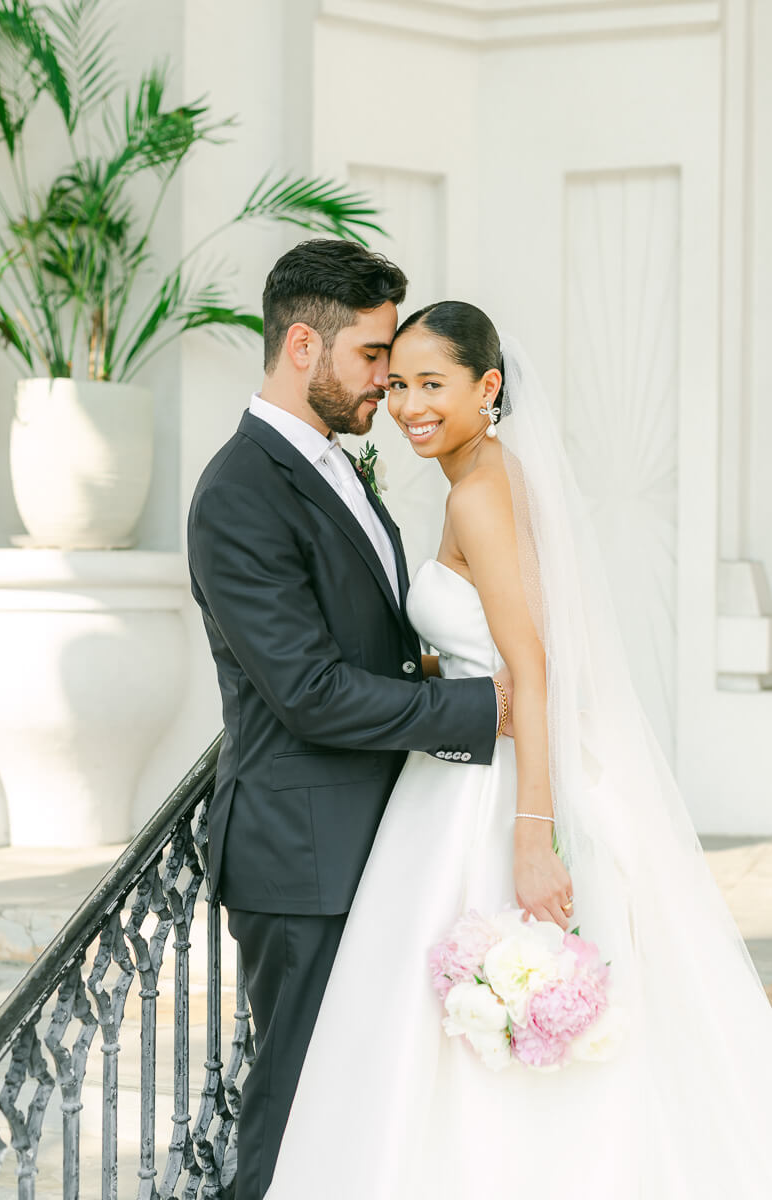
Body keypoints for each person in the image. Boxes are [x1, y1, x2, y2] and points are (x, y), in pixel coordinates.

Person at [264, 301, 772, 1199]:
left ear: (487, 387)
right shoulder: (488, 472)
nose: (410, 402)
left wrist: (531, 835)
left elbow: (530, 666)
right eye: (402, 381)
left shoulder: (480, 487)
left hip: (486, 795)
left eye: (434, 384)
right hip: (453, 776)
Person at [187, 246, 513, 1200]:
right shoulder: (240, 493)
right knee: (292, 1111)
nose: (392, 379)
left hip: (374, 835)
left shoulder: (337, 463)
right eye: (376, 355)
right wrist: (483, 707)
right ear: (302, 345)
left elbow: (368, 644)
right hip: (304, 855)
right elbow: (311, 692)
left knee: (363, 1106)